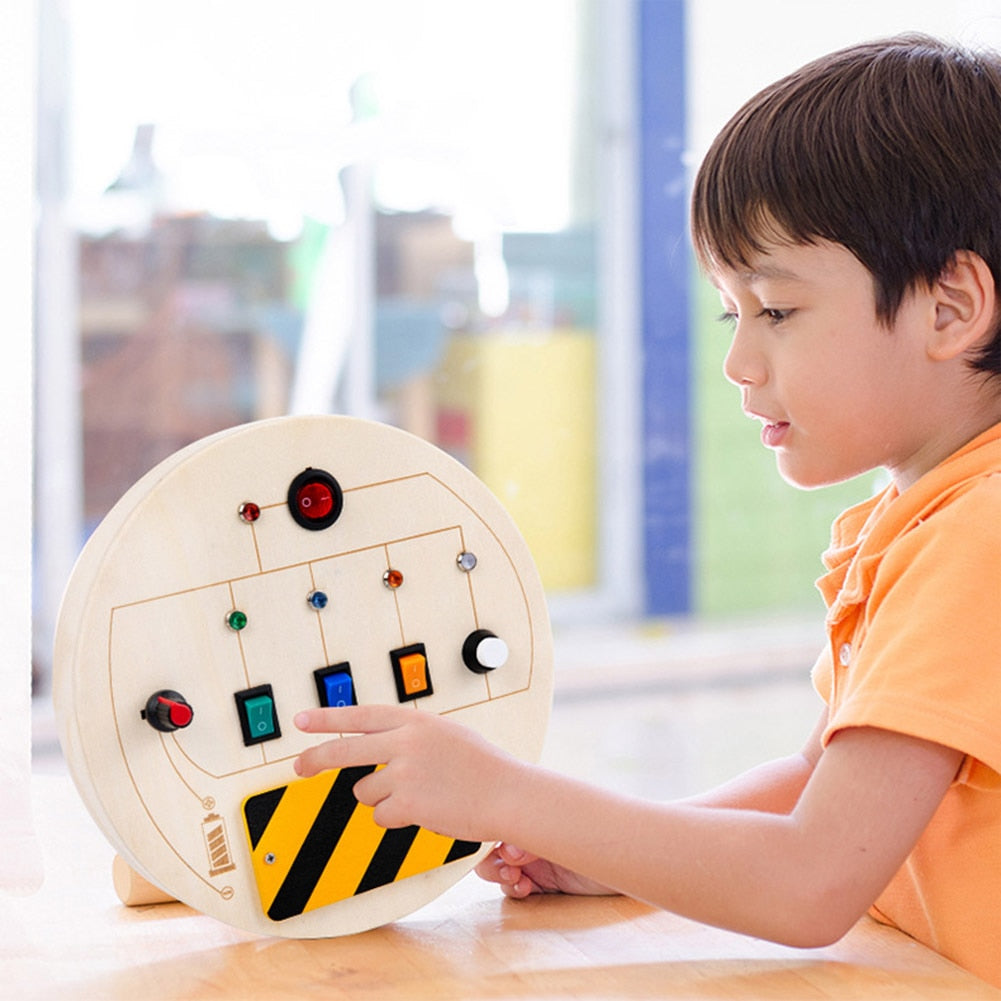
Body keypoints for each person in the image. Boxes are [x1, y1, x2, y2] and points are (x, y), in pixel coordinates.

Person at [294, 34, 1001, 987]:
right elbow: (819, 783)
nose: (739, 363)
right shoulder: (923, 512)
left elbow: (810, 881)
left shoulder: (976, 532)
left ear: (950, 308)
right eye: (730, 313)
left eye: (776, 312)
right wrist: (611, 850)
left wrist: (511, 794)